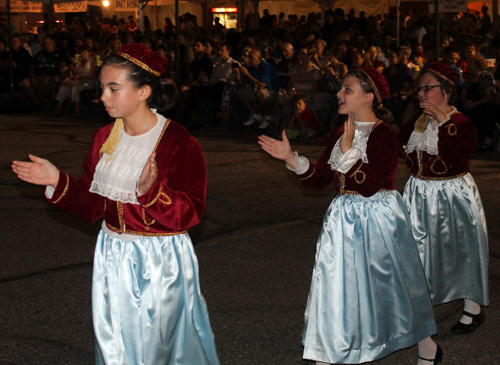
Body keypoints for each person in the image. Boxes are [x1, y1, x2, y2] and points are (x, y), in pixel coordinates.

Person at [11, 43, 220, 365]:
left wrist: (150, 194)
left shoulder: (178, 141)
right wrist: (57, 180)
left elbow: (191, 212)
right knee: (116, 344)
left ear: (143, 91)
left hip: (160, 259)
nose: (103, 97)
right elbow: (94, 205)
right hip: (112, 252)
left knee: (161, 347)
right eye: (101, 88)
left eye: (113, 88)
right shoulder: (104, 138)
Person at [258, 67, 441, 365]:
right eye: (341, 89)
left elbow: (370, 184)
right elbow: (320, 179)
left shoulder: (384, 135)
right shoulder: (340, 132)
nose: (339, 94)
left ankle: (426, 345)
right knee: (338, 284)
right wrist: (290, 157)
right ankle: (331, 351)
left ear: (368, 97)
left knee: (391, 285)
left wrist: (348, 150)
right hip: (343, 219)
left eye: (347, 89)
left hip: (379, 217)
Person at [399, 62, 489, 335]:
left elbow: (459, 156)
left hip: (452, 193)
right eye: (419, 89)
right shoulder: (418, 123)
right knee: (415, 250)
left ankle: (472, 307)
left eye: (428, 88)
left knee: (461, 251)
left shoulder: (461, 123)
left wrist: (443, 120)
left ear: (446, 91)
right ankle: (416, 305)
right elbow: (397, 147)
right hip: (419, 193)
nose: (421, 93)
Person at [53, 45, 96, 117]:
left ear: (89, 53)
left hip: (87, 81)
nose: (82, 54)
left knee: (75, 88)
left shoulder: (92, 62)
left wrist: (80, 76)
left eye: (84, 52)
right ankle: (59, 108)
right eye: (81, 52)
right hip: (78, 81)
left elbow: (92, 76)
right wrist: (72, 76)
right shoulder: (79, 62)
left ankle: (77, 109)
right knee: (63, 88)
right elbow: (75, 73)